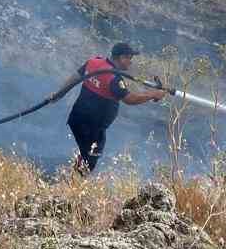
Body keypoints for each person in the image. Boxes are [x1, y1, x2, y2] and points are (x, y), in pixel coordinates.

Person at [62, 41, 168, 175]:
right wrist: (153, 94)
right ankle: (74, 183)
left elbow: (75, 77)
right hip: (92, 127)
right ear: (121, 58)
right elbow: (130, 99)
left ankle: (73, 175)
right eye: (129, 58)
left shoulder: (94, 62)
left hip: (76, 119)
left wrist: (59, 94)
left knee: (85, 153)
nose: (130, 62)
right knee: (91, 158)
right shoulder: (114, 79)